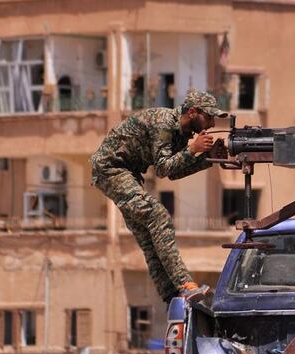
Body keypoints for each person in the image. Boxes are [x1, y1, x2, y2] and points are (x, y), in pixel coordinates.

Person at [90, 90, 227, 303]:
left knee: (148, 237)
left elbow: (174, 173)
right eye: (208, 117)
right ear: (192, 112)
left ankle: (171, 295)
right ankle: (186, 284)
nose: (210, 123)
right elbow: (162, 169)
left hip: (128, 173)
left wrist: (207, 159)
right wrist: (193, 150)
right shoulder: (164, 124)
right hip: (111, 169)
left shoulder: (182, 134)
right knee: (158, 218)